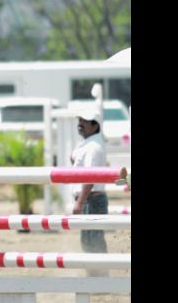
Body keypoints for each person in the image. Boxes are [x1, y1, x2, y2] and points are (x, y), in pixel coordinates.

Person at [70, 107, 109, 256]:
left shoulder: (93, 146)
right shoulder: (90, 143)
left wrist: (80, 202)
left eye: (85, 121)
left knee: (93, 244)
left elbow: (90, 176)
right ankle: (97, 276)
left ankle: (99, 276)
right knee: (90, 243)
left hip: (91, 199)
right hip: (90, 198)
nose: (80, 123)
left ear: (95, 125)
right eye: (80, 120)